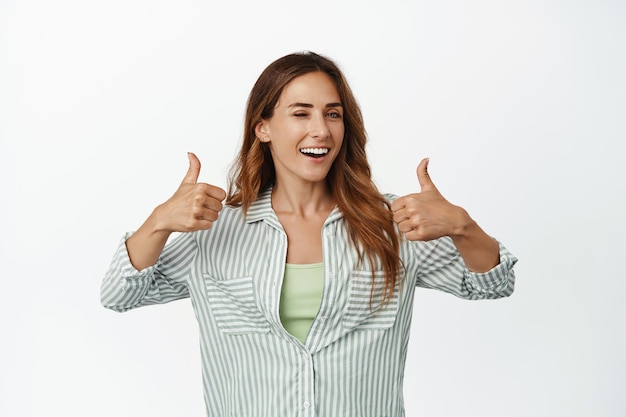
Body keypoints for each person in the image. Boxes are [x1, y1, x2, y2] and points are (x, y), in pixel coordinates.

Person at [101, 51, 517, 416]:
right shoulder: (215, 229)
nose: (321, 129)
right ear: (262, 127)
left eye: (332, 114)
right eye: (301, 113)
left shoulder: (392, 224)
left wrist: (462, 226)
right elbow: (120, 294)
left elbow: (493, 284)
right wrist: (158, 221)